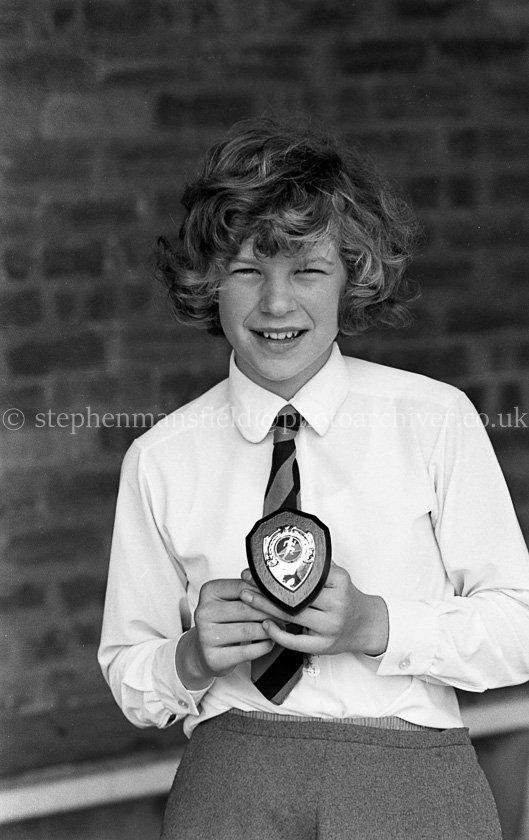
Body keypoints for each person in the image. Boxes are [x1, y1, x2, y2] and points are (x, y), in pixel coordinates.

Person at [98, 117, 529, 840]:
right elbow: (129, 674)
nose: (275, 303)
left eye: (307, 269)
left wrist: (376, 624)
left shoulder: (433, 419)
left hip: (413, 789)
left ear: (352, 275)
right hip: (228, 793)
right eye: (245, 271)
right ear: (208, 281)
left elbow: (519, 626)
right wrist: (191, 656)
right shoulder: (161, 457)